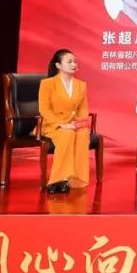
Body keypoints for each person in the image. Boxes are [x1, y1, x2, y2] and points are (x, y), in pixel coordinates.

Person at [38, 49, 92, 194]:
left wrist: (78, 124)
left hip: (73, 124)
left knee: (82, 134)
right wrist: (61, 124)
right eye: (69, 62)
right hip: (53, 125)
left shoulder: (81, 85)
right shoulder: (47, 83)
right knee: (67, 134)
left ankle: (74, 178)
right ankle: (58, 180)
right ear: (58, 65)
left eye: (75, 62)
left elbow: (83, 109)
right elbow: (44, 109)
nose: (74, 64)